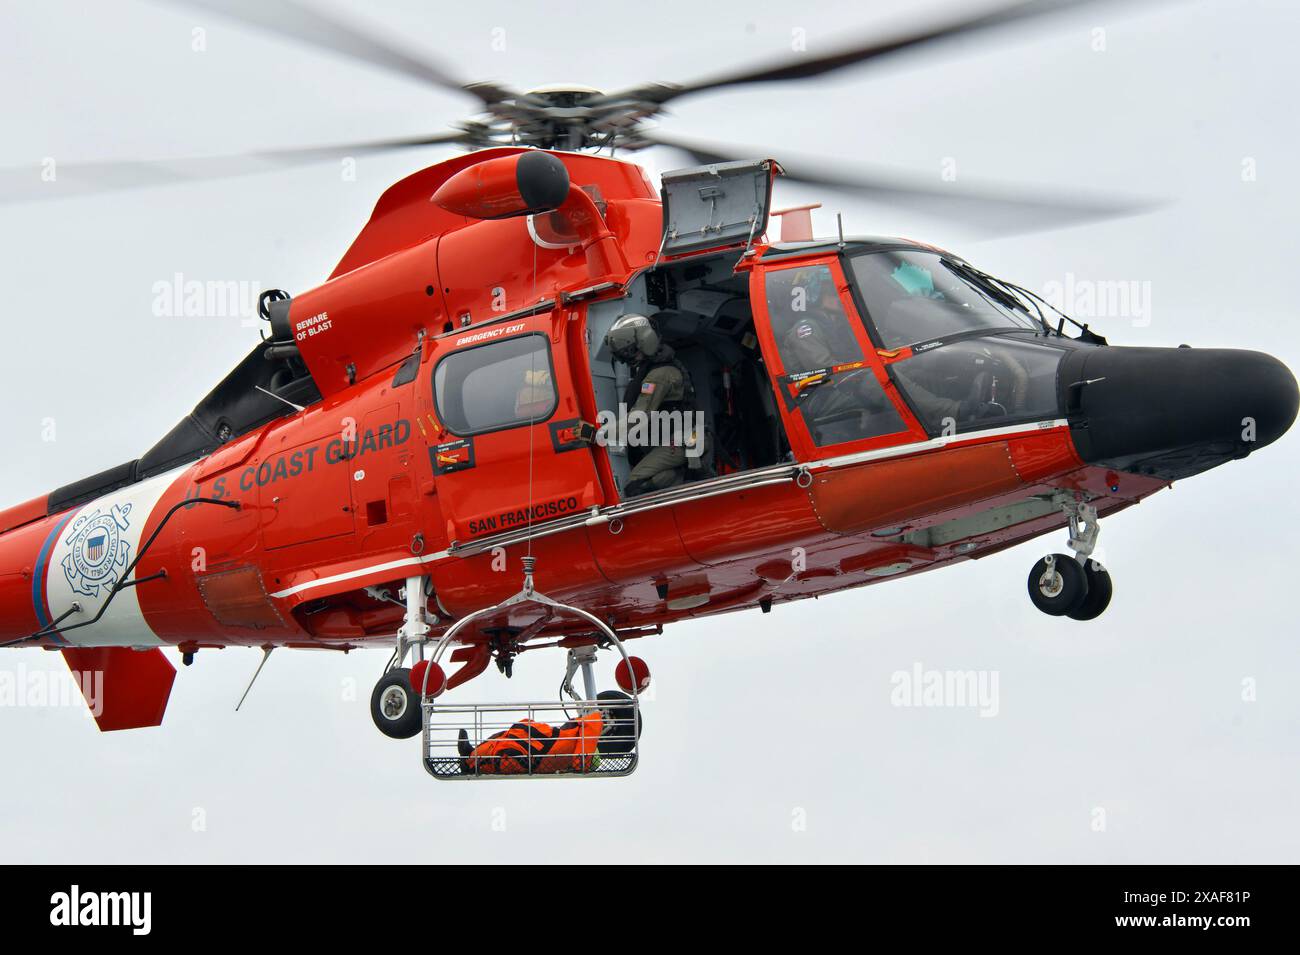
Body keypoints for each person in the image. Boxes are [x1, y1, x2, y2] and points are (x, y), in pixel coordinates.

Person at [604, 313, 706, 495]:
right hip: (680, 440)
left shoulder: (660, 375)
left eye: (631, 351)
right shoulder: (651, 370)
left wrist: (599, 433)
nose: (629, 360)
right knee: (657, 476)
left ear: (644, 342)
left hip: (683, 441)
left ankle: (688, 477)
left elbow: (639, 416)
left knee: (635, 487)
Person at [456, 691, 638, 775]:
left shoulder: (579, 750)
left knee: (511, 742)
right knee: (516, 734)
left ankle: (471, 758)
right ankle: (471, 755)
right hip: (548, 742)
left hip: (542, 748)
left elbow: (581, 759)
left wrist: (593, 721)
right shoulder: (577, 744)